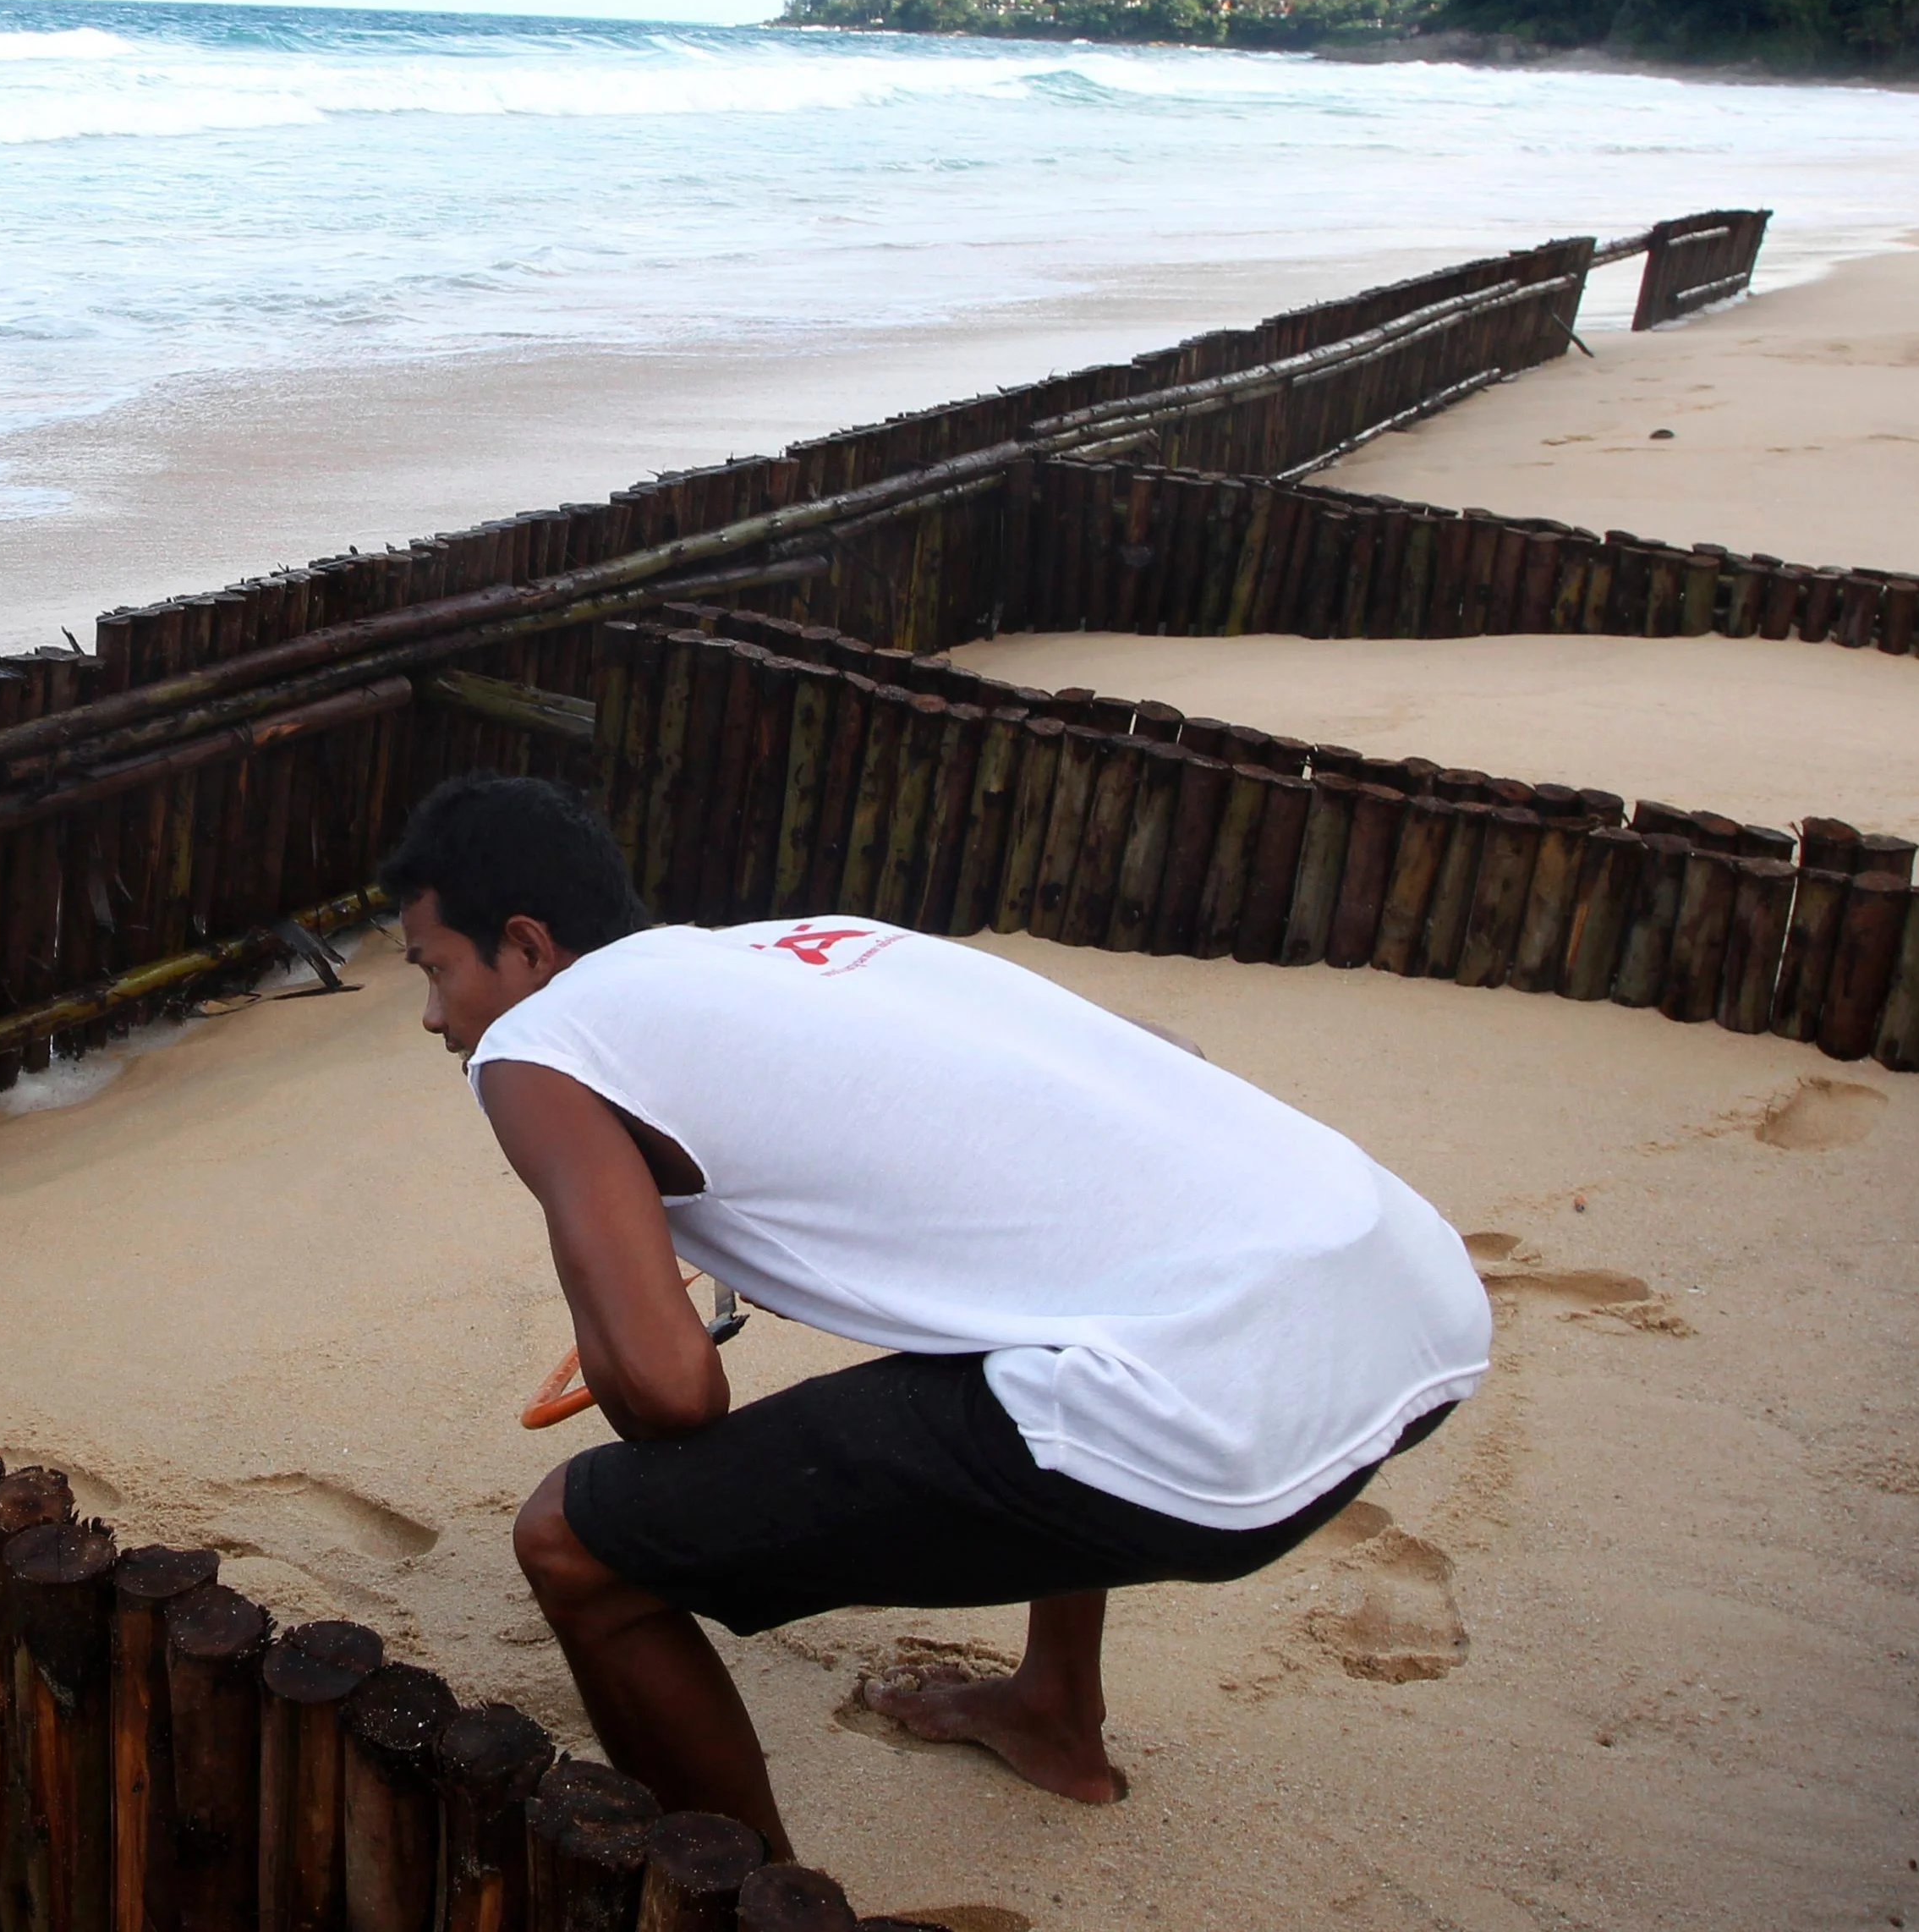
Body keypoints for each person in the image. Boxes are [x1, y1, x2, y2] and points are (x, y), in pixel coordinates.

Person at [378, 773, 1491, 1858]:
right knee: (1026, 1307)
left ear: (525, 946)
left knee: (574, 1544)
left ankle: (747, 1902)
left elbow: (671, 1396)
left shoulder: (534, 1045)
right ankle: (1056, 1711)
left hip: (1224, 1420)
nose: (437, 1019)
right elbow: (1165, 1055)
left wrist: (616, 1306)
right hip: (1411, 1298)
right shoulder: (810, 943)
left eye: (435, 970)